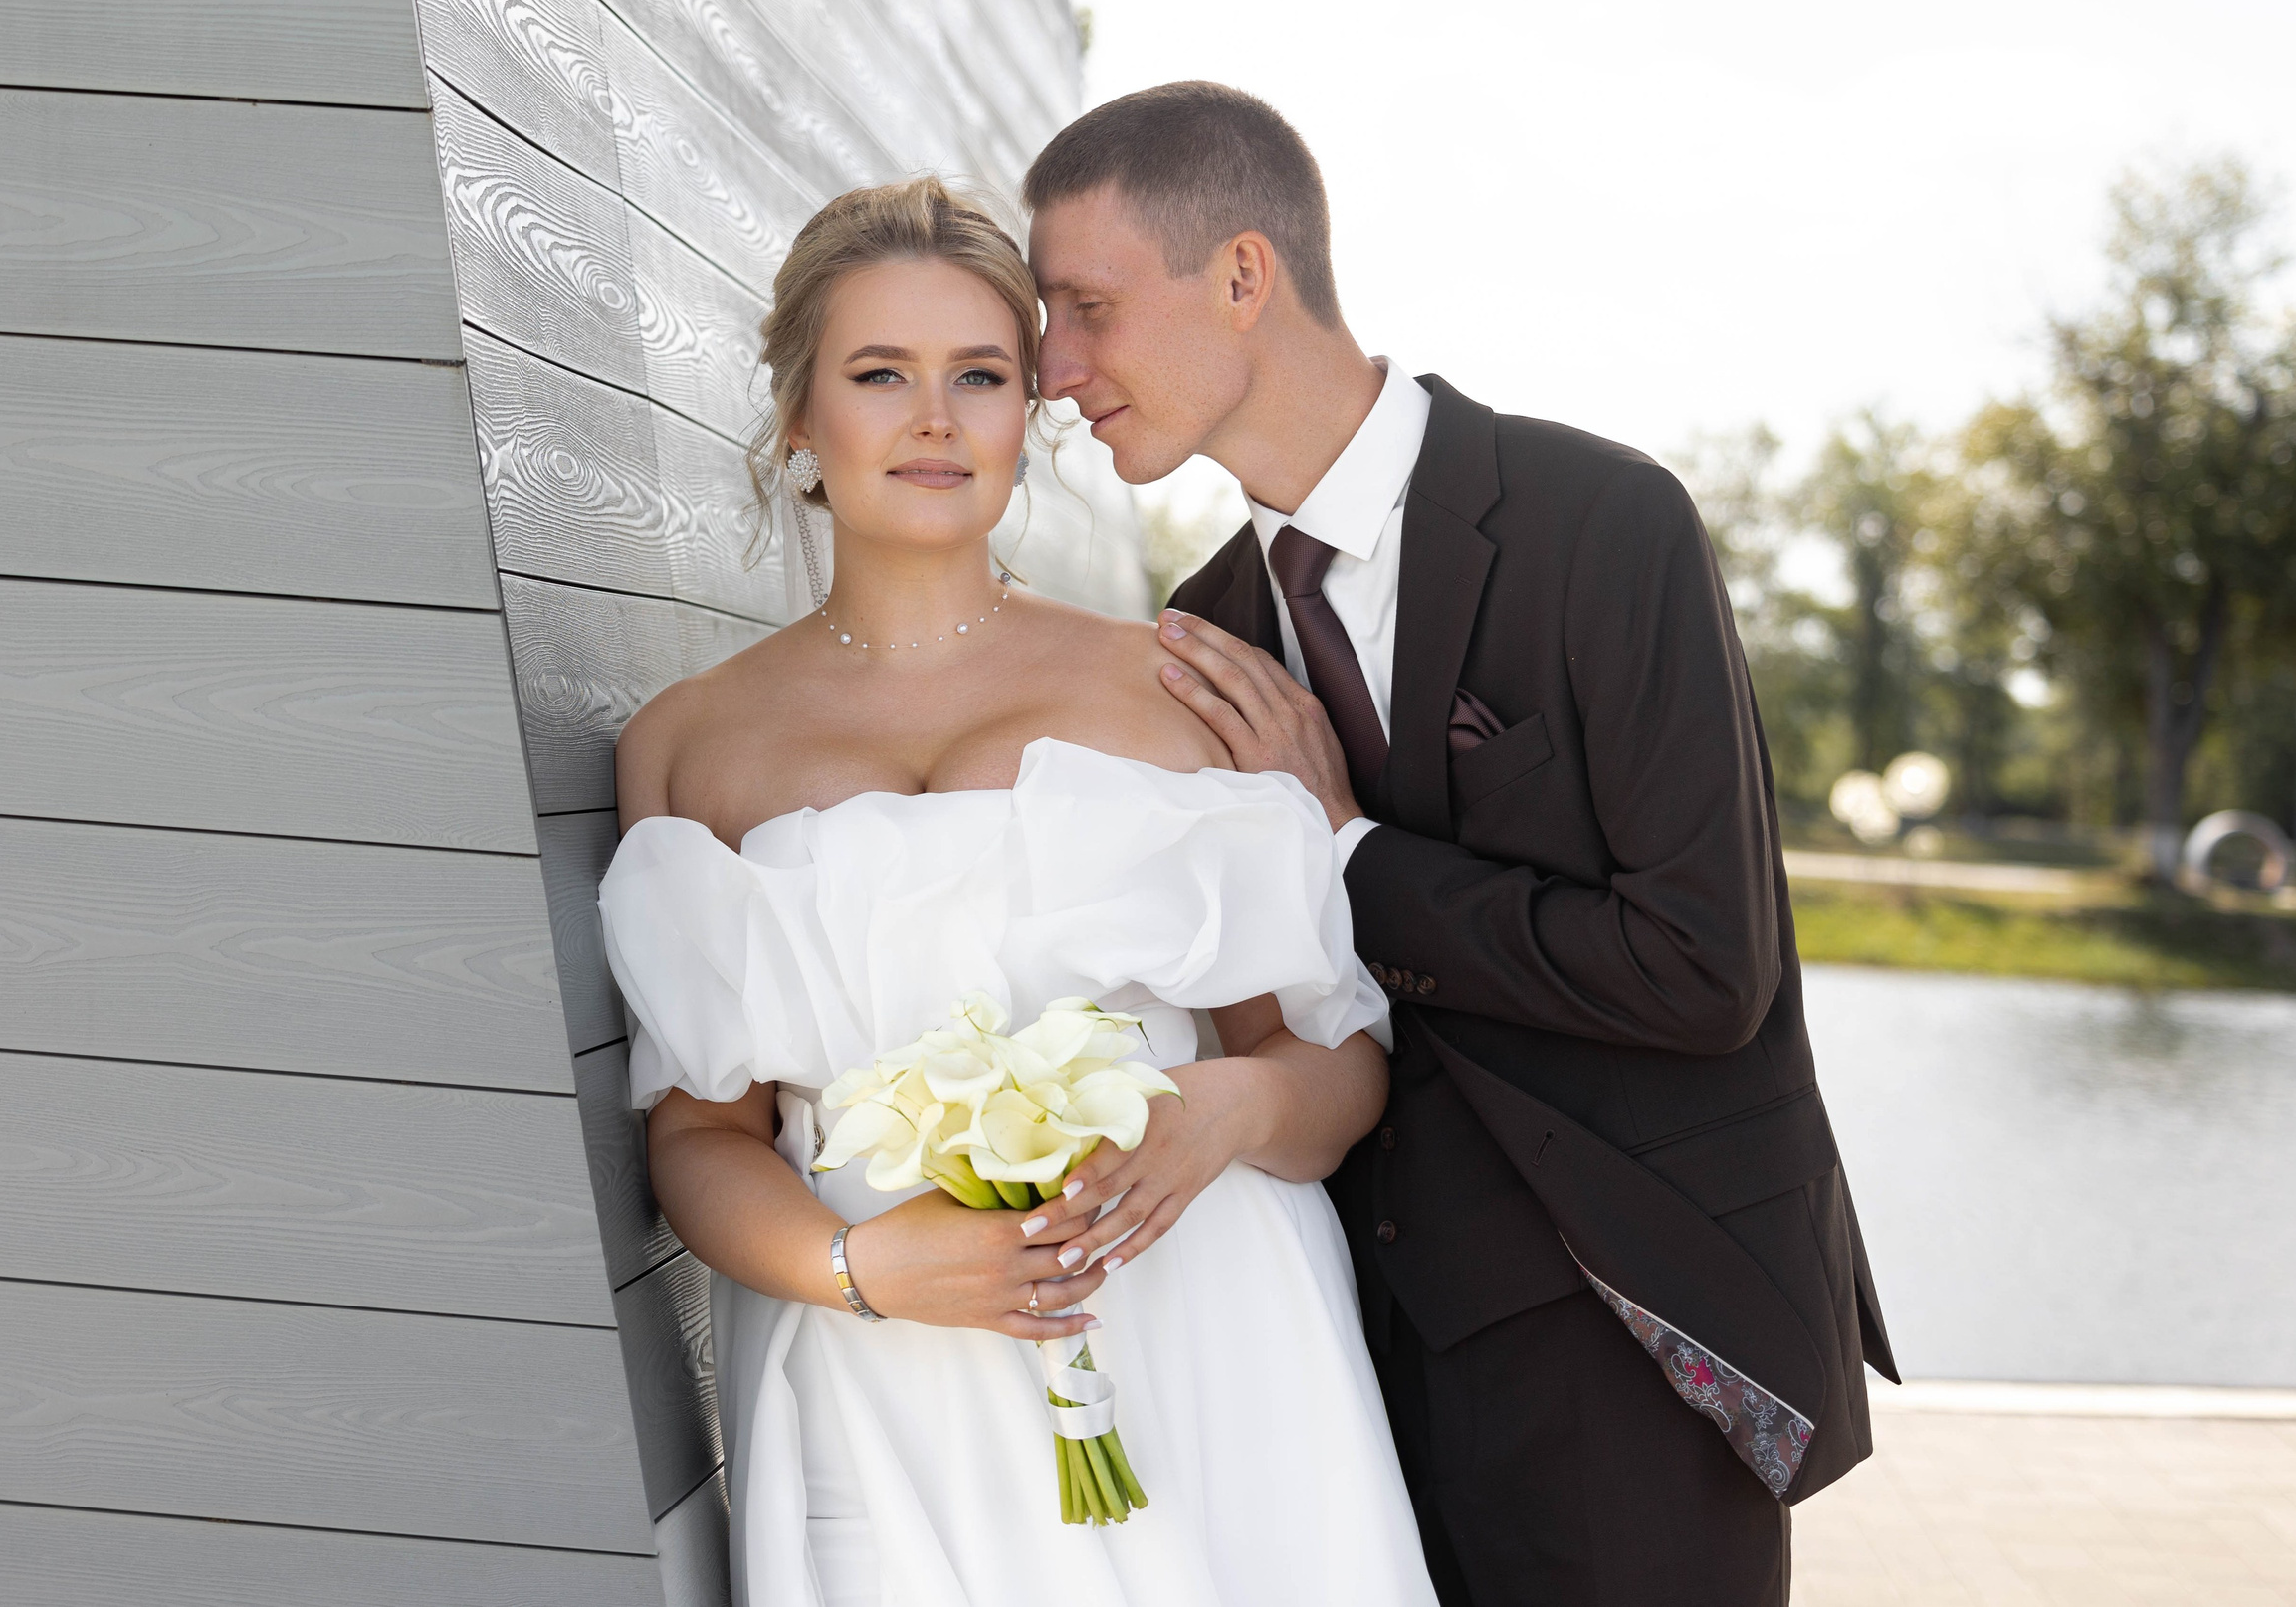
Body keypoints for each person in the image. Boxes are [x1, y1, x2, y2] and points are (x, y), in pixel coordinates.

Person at [1023, 82, 1899, 1607]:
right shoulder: (1212, 633)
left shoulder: (1604, 526)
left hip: (1633, 1332)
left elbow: (1705, 968)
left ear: (1244, 273)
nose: (1054, 369)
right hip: (1352, 1359)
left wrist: (1353, 850)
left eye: (1086, 308)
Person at [601, 177, 1439, 1607]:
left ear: (1025, 411)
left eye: (979, 375)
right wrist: (860, 1267)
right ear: (800, 412)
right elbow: (698, 1135)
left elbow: (1333, 1062)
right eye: (881, 375)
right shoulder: (689, 745)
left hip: (1201, 1335)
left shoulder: (1167, 684)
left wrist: (1228, 1110)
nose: (936, 420)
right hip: (885, 1371)